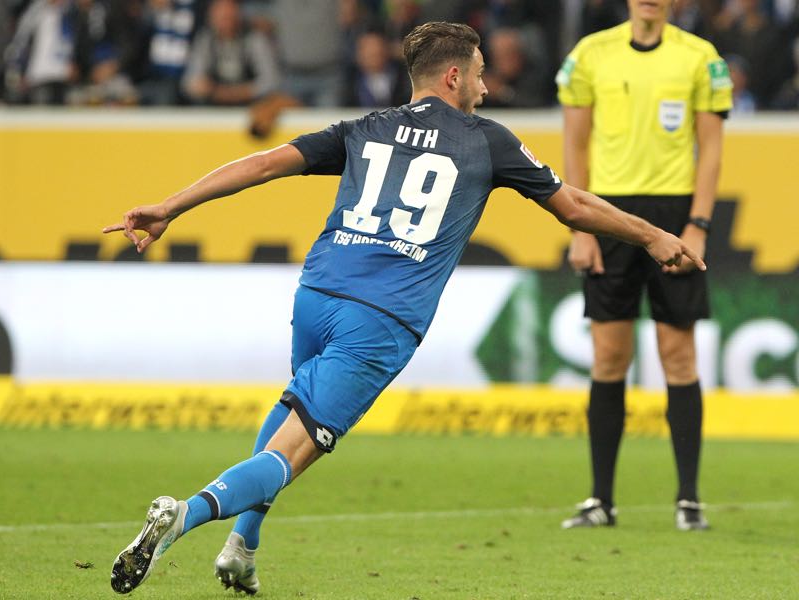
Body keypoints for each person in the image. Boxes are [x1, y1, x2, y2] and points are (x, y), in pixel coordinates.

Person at [104, 21, 705, 595]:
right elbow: (571, 204)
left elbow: (261, 165)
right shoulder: (487, 140)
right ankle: (183, 517)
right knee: (297, 447)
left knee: (296, 411)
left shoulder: (365, 127)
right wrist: (653, 236)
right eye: (479, 74)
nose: (486, 86)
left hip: (317, 294)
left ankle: (243, 547)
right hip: (383, 318)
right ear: (452, 78)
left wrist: (171, 207)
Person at [556, 0, 731, 530]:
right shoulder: (591, 54)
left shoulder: (701, 58)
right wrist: (579, 228)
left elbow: (712, 148)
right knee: (609, 356)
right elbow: (575, 143)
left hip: (675, 213)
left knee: (678, 353)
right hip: (609, 216)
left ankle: (688, 499)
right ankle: (600, 501)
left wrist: (698, 223)